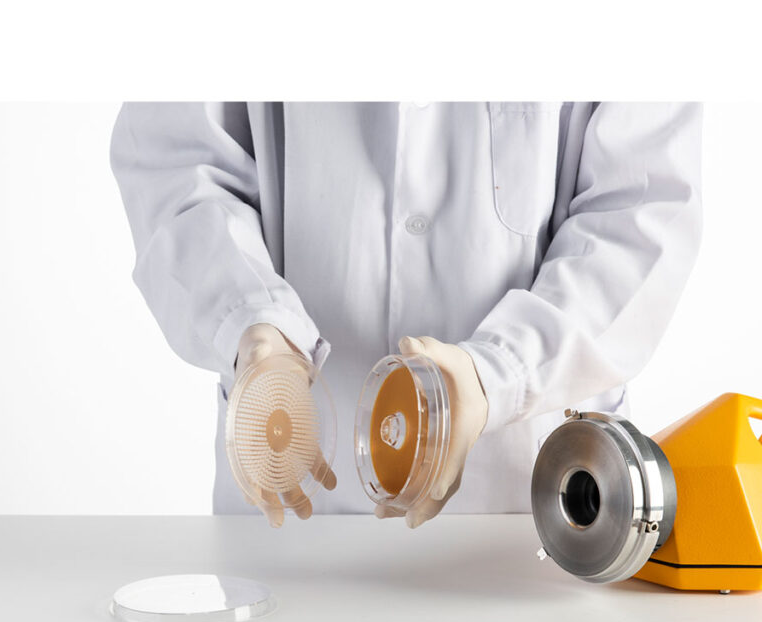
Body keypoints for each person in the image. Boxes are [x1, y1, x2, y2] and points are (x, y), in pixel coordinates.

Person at [110, 102, 702, 527]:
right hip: (298, 493)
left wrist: (501, 372)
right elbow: (177, 166)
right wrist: (251, 321)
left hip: (539, 503)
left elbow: (640, 207)